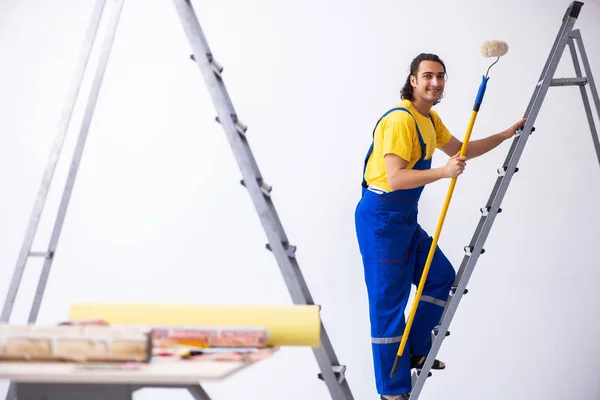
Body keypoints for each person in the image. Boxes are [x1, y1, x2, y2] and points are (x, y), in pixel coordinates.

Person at [354, 53, 527, 400]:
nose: (435, 82)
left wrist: (505, 135)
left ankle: (417, 348)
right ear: (413, 80)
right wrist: (443, 172)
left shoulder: (429, 119)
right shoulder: (400, 121)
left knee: (440, 276)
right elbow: (396, 177)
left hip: (404, 217)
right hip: (382, 217)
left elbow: (461, 149)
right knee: (389, 304)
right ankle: (392, 390)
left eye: (441, 76)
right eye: (428, 76)